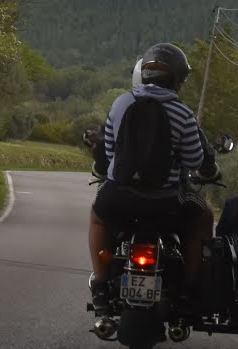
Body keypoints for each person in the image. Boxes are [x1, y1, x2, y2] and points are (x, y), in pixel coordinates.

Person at [87, 42, 221, 311]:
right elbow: (194, 161)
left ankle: (100, 283)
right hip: (166, 201)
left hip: (119, 196)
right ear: (178, 79)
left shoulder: (121, 103)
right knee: (203, 218)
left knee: (98, 218)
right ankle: (189, 289)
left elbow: (110, 151)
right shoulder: (183, 113)